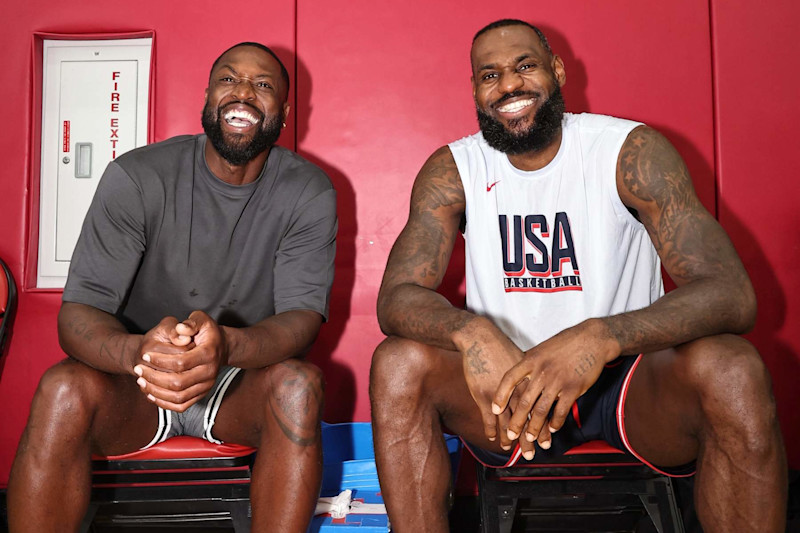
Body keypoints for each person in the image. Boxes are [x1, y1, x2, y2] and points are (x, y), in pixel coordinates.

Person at [370, 19, 786, 532]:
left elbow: (731, 295)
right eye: (490, 75)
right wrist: (471, 332)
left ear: (557, 71)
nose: (508, 85)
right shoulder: (454, 169)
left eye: (524, 66)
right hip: (508, 389)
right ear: (475, 90)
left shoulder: (627, 151)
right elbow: (395, 299)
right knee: (398, 363)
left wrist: (601, 337)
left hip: (629, 385)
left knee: (733, 367)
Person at [7, 42, 337, 533]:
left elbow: (301, 319)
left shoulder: (308, 191)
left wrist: (227, 345)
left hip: (237, 382)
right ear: (206, 96)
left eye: (263, 85)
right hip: (135, 385)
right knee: (61, 388)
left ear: (285, 113)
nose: (244, 92)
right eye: (228, 79)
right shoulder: (138, 177)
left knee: (298, 385)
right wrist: (140, 354)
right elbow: (78, 314)